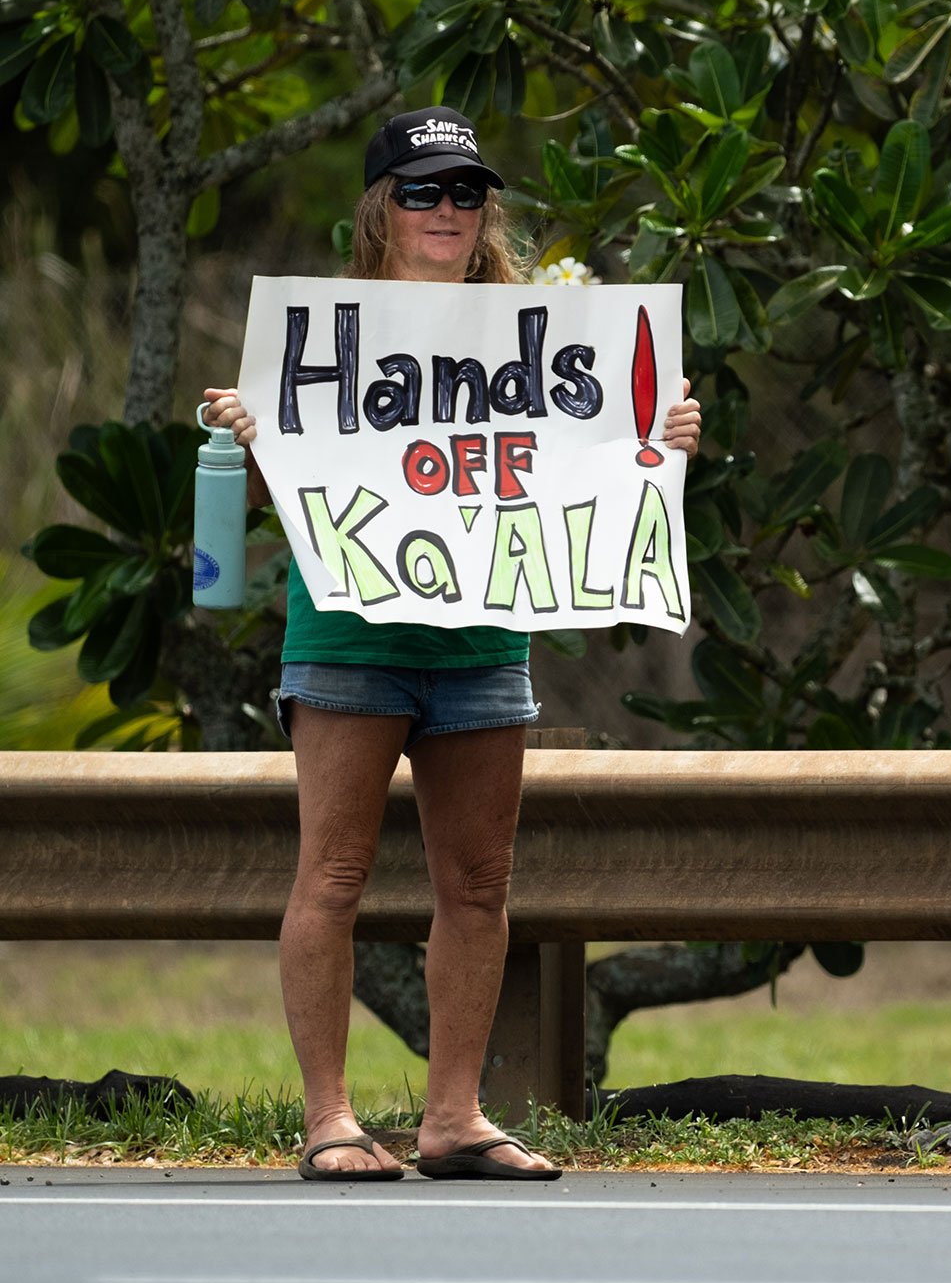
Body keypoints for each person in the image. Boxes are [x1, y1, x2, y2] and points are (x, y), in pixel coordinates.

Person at [200, 106, 702, 1180]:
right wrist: (250, 438)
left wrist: (657, 444)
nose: (447, 209)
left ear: (487, 214)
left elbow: (592, 469)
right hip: (348, 633)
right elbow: (271, 499)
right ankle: (330, 1118)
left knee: (479, 883)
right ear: (382, 209)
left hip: (481, 638)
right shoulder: (321, 336)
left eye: (466, 191)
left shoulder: (545, 337)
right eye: (424, 190)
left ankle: (453, 1117)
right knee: (331, 875)